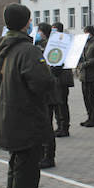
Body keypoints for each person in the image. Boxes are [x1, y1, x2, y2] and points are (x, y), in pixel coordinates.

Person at [0, 3, 52, 188]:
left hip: (11, 117)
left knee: (17, 169)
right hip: (26, 120)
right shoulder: (27, 50)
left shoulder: (5, 47)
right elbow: (41, 84)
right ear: (26, 22)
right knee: (27, 173)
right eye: (30, 20)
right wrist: (51, 73)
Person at [34, 23, 58, 168]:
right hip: (43, 90)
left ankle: (49, 156)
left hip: (48, 91)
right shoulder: (37, 45)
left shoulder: (49, 46)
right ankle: (43, 154)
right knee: (42, 125)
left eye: (39, 31)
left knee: (46, 126)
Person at [50, 22, 74, 137]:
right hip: (56, 78)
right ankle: (60, 126)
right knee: (57, 104)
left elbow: (65, 58)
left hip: (62, 77)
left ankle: (64, 127)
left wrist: (57, 67)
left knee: (62, 104)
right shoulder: (55, 42)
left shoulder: (65, 42)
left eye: (54, 29)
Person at [77, 25, 94, 127]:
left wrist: (85, 64)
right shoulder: (84, 42)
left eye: (86, 33)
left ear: (90, 33)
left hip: (92, 75)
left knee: (92, 98)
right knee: (86, 98)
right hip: (84, 76)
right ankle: (89, 117)